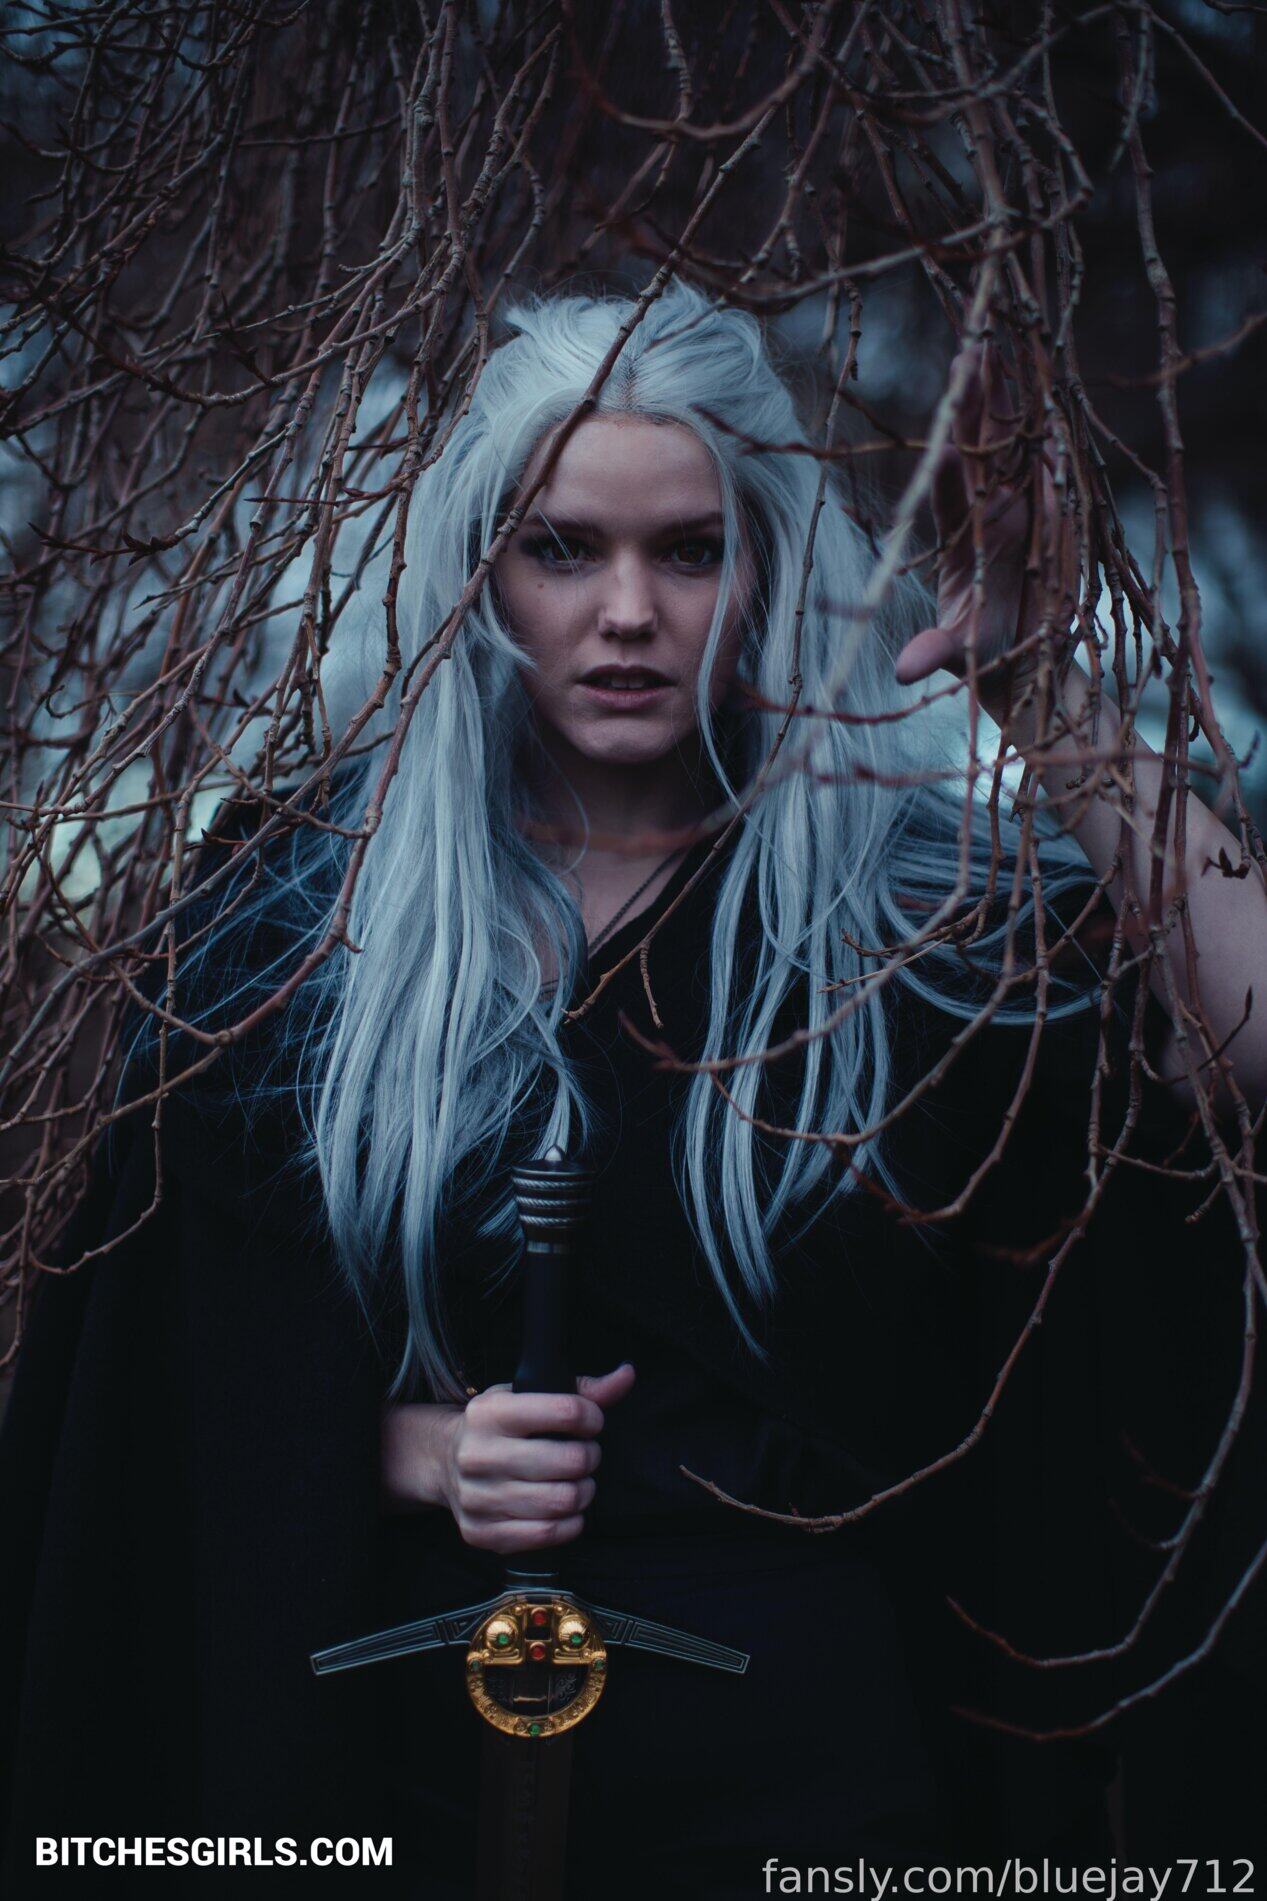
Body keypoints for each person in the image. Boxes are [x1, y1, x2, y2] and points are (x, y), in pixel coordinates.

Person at [2, 282, 1263, 1897]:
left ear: (765, 574)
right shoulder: (294, 920)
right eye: (562, 549)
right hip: (386, 1764)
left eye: (688, 550)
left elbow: (1253, 1032)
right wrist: (398, 1449)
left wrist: (1045, 694)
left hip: (801, 1783)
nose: (626, 612)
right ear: (480, 574)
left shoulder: (915, 925)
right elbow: (150, 1380)